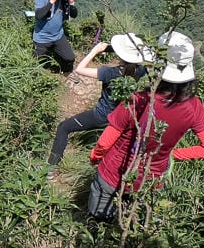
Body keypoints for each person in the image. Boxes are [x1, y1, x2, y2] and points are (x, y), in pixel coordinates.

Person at [86, 30, 204, 221]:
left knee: (98, 223)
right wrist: (171, 154)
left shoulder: (138, 100)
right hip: (149, 183)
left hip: (112, 174)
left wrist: (95, 156)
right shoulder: (194, 106)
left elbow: (105, 142)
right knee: (133, 226)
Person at [46, 32, 155, 172]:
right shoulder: (139, 70)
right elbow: (150, 58)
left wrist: (95, 51)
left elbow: (79, 69)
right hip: (122, 116)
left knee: (63, 127)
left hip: (102, 116)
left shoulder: (110, 73)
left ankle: (50, 168)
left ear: (120, 55)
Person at [32, 0, 79, 73]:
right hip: (42, 37)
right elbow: (39, 15)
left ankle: (66, 73)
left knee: (70, 58)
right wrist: (51, 2)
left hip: (58, 36)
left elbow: (73, 15)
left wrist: (71, 3)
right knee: (35, 63)